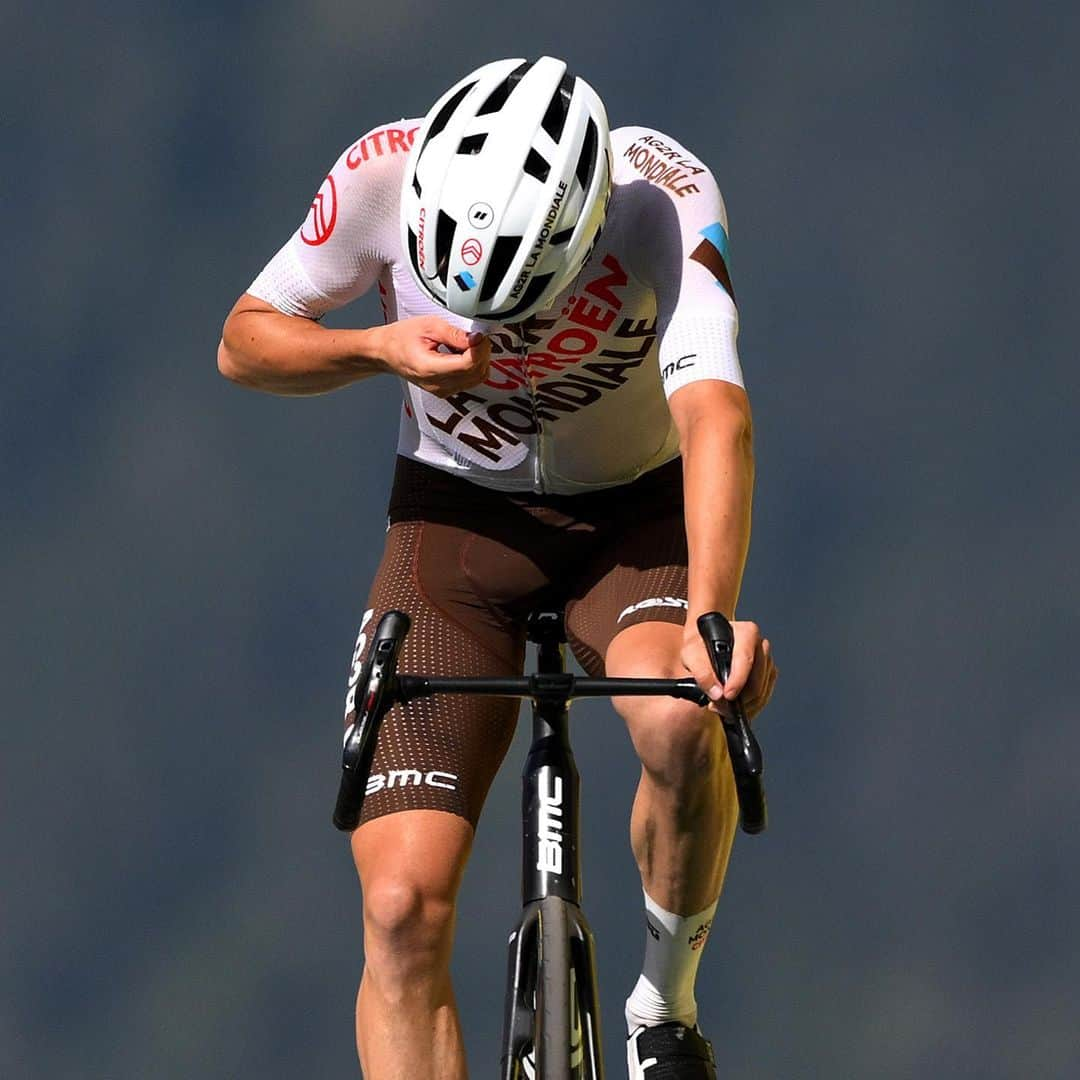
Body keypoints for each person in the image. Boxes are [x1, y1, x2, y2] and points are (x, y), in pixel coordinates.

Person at [218, 55, 777, 1080]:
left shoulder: (662, 198)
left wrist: (710, 617)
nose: (490, 335)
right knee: (398, 911)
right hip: (455, 528)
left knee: (677, 714)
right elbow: (245, 342)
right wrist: (381, 345)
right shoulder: (382, 172)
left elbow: (714, 412)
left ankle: (663, 1008)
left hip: (632, 521)